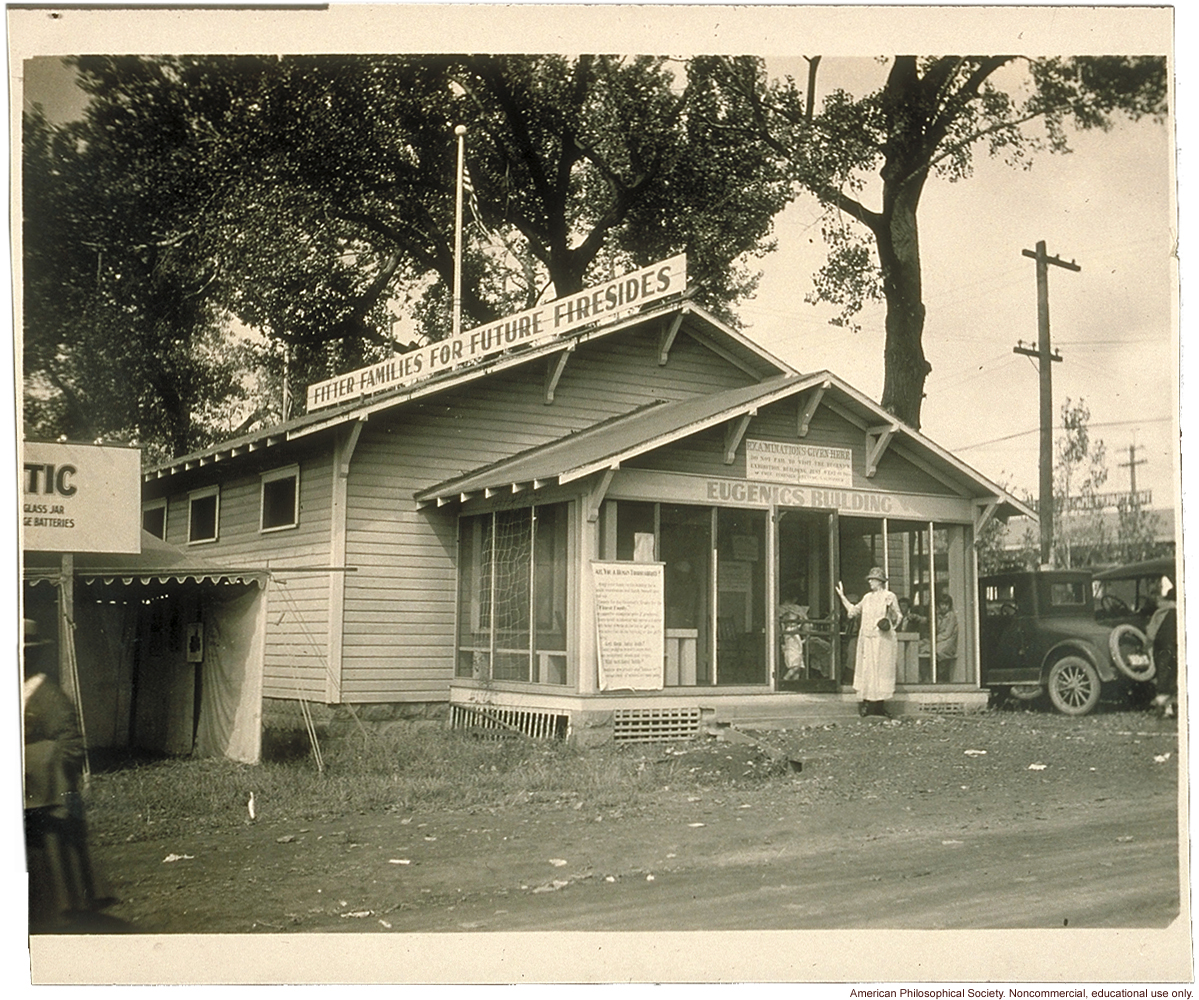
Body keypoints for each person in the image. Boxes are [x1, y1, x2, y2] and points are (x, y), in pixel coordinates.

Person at [23, 618, 109, 931]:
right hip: (27, 794)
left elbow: (72, 742)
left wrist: (41, 763)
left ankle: (66, 915)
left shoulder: (48, 695)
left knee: (55, 859)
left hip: (50, 794)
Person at [836, 567, 900, 717]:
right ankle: (867, 705)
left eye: (873, 579)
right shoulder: (867, 598)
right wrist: (842, 596)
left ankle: (879, 706)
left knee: (881, 671)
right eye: (870, 579)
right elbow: (852, 612)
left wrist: (889, 620)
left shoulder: (889, 596)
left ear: (880, 582)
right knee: (868, 671)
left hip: (882, 640)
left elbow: (898, 615)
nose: (870, 582)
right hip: (867, 640)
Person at [778, 596, 809, 680]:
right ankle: (785, 679)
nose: (795, 624)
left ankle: (794, 683)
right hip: (791, 652)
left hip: (797, 652)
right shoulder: (789, 630)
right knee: (794, 668)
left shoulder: (794, 632)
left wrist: (803, 641)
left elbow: (797, 641)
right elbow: (796, 629)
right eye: (794, 622)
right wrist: (802, 620)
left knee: (798, 670)